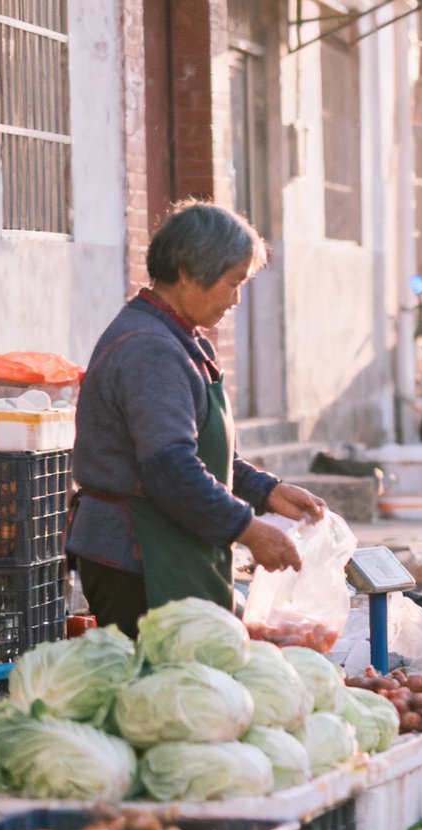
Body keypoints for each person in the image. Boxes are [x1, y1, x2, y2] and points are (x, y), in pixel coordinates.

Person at [70, 201, 326, 635]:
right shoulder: (149, 349)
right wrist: (250, 530)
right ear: (188, 272)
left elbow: (199, 454)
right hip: (138, 559)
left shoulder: (180, 340)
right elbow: (171, 469)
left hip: (166, 547)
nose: (236, 299)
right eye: (233, 283)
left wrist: (267, 491)